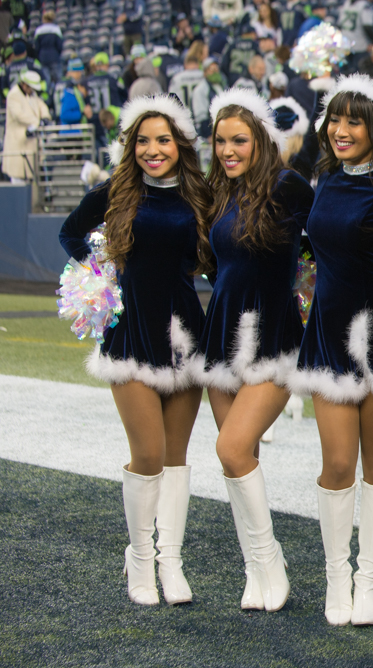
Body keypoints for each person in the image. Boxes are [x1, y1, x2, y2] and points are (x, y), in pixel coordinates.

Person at [58, 94, 213, 606]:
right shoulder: (117, 192)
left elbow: (218, 262)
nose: (152, 149)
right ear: (131, 146)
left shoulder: (199, 196)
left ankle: (171, 561)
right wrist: (98, 275)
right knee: (146, 455)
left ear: (180, 144)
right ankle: (140, 560)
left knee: (175, 459)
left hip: (185, 335)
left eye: (162, 139)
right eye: (142, 140)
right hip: (130, 334)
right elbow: (70, 232)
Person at [283, 74, 373, 627]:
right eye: (335, 118)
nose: (341, 129)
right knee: (337, 462)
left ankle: (369, 579)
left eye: (355, 120)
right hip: (329, 335)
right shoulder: (322, 179)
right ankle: (337, 577)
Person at [194, 88, 314, 612]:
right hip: (220, 334)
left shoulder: (287, 186)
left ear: (261, 140)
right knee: (242, 458)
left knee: (231, 447)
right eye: (220, 141)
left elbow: (325, 236)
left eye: (238, 140)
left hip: (273, 336)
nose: (227, 150)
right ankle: (256, 568)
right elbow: (215, 267)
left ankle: (270, 561)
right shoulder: (217, 194)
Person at [2, 69, 49, 188]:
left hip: (30, 143)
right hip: (17, 143)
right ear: (24, 84)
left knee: (31, 178)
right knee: (17, 179)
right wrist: (37, 122)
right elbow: (19, 115)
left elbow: (41, 105)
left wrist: (45, 117)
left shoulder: (31, 95)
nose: (32, 90)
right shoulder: (13, 95)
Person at [193, 57, 227, 136]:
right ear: (205, 72)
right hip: (207, 133)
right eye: (211, 69)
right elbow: (201, 116)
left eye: (216, 68)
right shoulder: (200, 89)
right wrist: (208, 135)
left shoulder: (221, 85)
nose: (215, 71)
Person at [32, 10, 62, 85]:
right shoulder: (56, 29)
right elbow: (59, 46)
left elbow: (36, 47)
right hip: (54, 56)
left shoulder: (38, 30)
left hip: (43, 57)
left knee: (46, 80)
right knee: (58, 80)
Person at [61, 60, 94, 124]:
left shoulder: (74, 91)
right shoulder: (70, 92)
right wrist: (82, 113)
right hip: (71, 132)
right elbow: (65, 115)